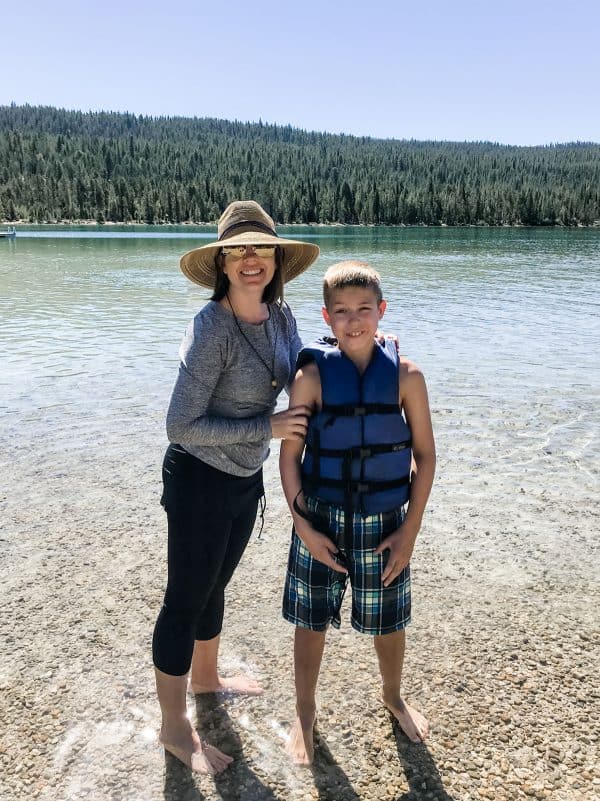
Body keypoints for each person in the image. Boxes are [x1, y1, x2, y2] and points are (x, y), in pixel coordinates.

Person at [152, 200, 319, 774]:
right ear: (222, 262)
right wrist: (266, 427)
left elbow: (301, 371)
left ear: (276, 259)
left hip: (244, 478)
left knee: (216, 582)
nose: (252, 260)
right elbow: (179, 423)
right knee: (184, 600)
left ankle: (205, 679)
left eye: (261, 249)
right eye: (238, 250)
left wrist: (364, 354)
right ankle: (175, 728)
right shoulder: (211, 329)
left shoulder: (282, 317)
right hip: (198, 477)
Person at [279, 260, 436, 765]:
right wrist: (303, 526)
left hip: (387, 521)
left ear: (381, 310)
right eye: (341, 311)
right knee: (311, 619)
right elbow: (288, 459)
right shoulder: (311, 378)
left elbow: (426, 457)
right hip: (321, 516)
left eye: (363, 309)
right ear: (326, 317)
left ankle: (392, 696)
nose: (353, 320)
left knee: (389, 622)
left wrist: (410, 531)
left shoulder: (408, 377)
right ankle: (305, 712)